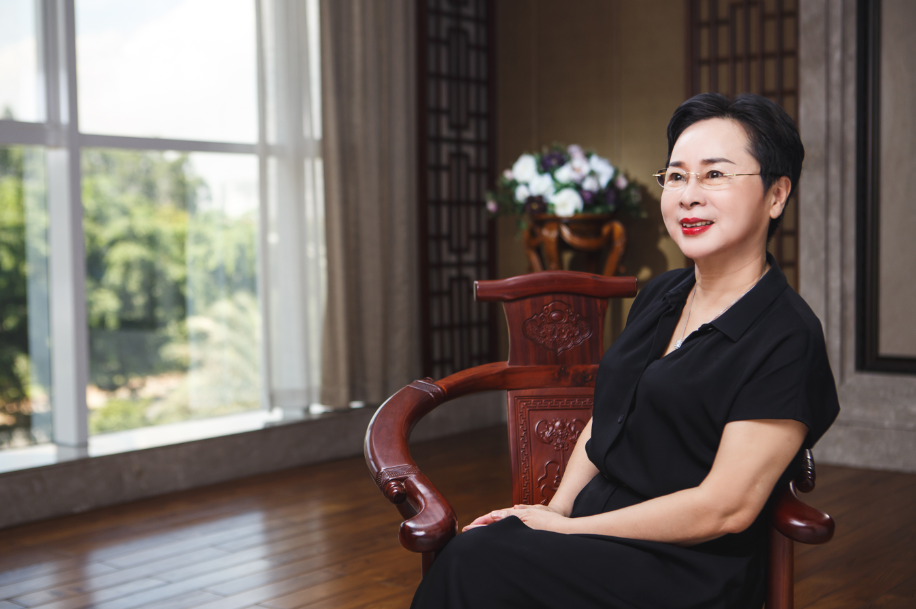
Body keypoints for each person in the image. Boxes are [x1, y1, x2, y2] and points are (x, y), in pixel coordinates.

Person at [410, 92, 840, 609]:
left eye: (714, 175)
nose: (689, 196)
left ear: (776, 195)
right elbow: (607, 417)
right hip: (599, 532)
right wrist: (556, 511)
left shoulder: (787, 335)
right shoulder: (661, 295)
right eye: (676, 176)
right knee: (478, 551)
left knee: (473, 562)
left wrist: (569, 531)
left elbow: (726, 508)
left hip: (686, 566)